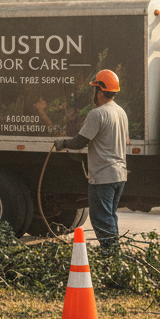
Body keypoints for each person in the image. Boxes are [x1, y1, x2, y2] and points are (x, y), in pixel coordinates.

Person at [54, 69, 129, 249]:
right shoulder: (121, 112)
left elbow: (80, 141)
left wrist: (63, 142)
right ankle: (114, 257)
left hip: (103, 176)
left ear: (101, 91)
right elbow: (125, 140)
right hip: (120, 175)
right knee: (110, 217)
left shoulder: (98, 114)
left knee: (102, 220)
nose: (93, 94)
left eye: (95, 89)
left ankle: (110, 256)